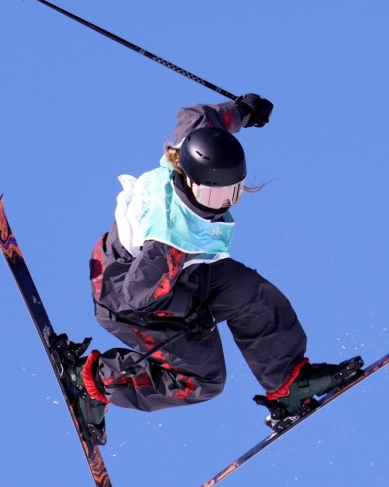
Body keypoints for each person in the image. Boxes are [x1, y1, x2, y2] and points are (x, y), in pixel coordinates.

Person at [71, 93, 361, 445]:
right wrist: (187, 312)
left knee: (251, 293)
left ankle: (287, 385)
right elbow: (135, 298)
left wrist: (241, 111)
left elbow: (199, 116)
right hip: (128, 301)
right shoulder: (170, 238)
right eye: (213, 196)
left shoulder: (189, 147)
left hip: (172, 280)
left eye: (231, 193)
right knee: (202, 381)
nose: (220, 204)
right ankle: (95, 382)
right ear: (190, 179)